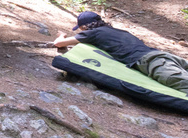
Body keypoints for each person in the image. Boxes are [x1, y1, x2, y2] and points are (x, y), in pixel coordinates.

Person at [52, 11, 188, 94]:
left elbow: (59, 44)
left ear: (85, 27)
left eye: (81, 29)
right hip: (165, 56)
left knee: (181, 84)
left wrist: (62, 35)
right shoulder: (119, 32)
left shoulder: (93, 33)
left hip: (152, 61)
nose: (81, 31)